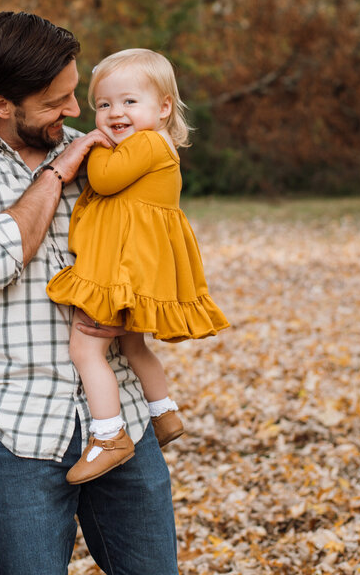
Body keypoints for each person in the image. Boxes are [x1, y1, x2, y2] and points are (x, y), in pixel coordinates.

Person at [0, 12, 179, 575]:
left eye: (76, 94)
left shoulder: (103, 153)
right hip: (17, 425)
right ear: (1, 104)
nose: (75, 112)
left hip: (119, 417)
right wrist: (53, 175)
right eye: (56, 101)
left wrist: (133, 307)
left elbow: (152, 238)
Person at [46, 49, 230, 484]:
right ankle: (162, 412)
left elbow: (105, 180)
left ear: (163, 107)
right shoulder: (150, 143)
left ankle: (109, 435)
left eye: (129, 102)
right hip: (136, 267)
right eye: (104, 105)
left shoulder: (146, 143)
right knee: (132, 347)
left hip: (118, 270)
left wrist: (87, 145)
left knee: (85, 349)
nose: (114, 114)